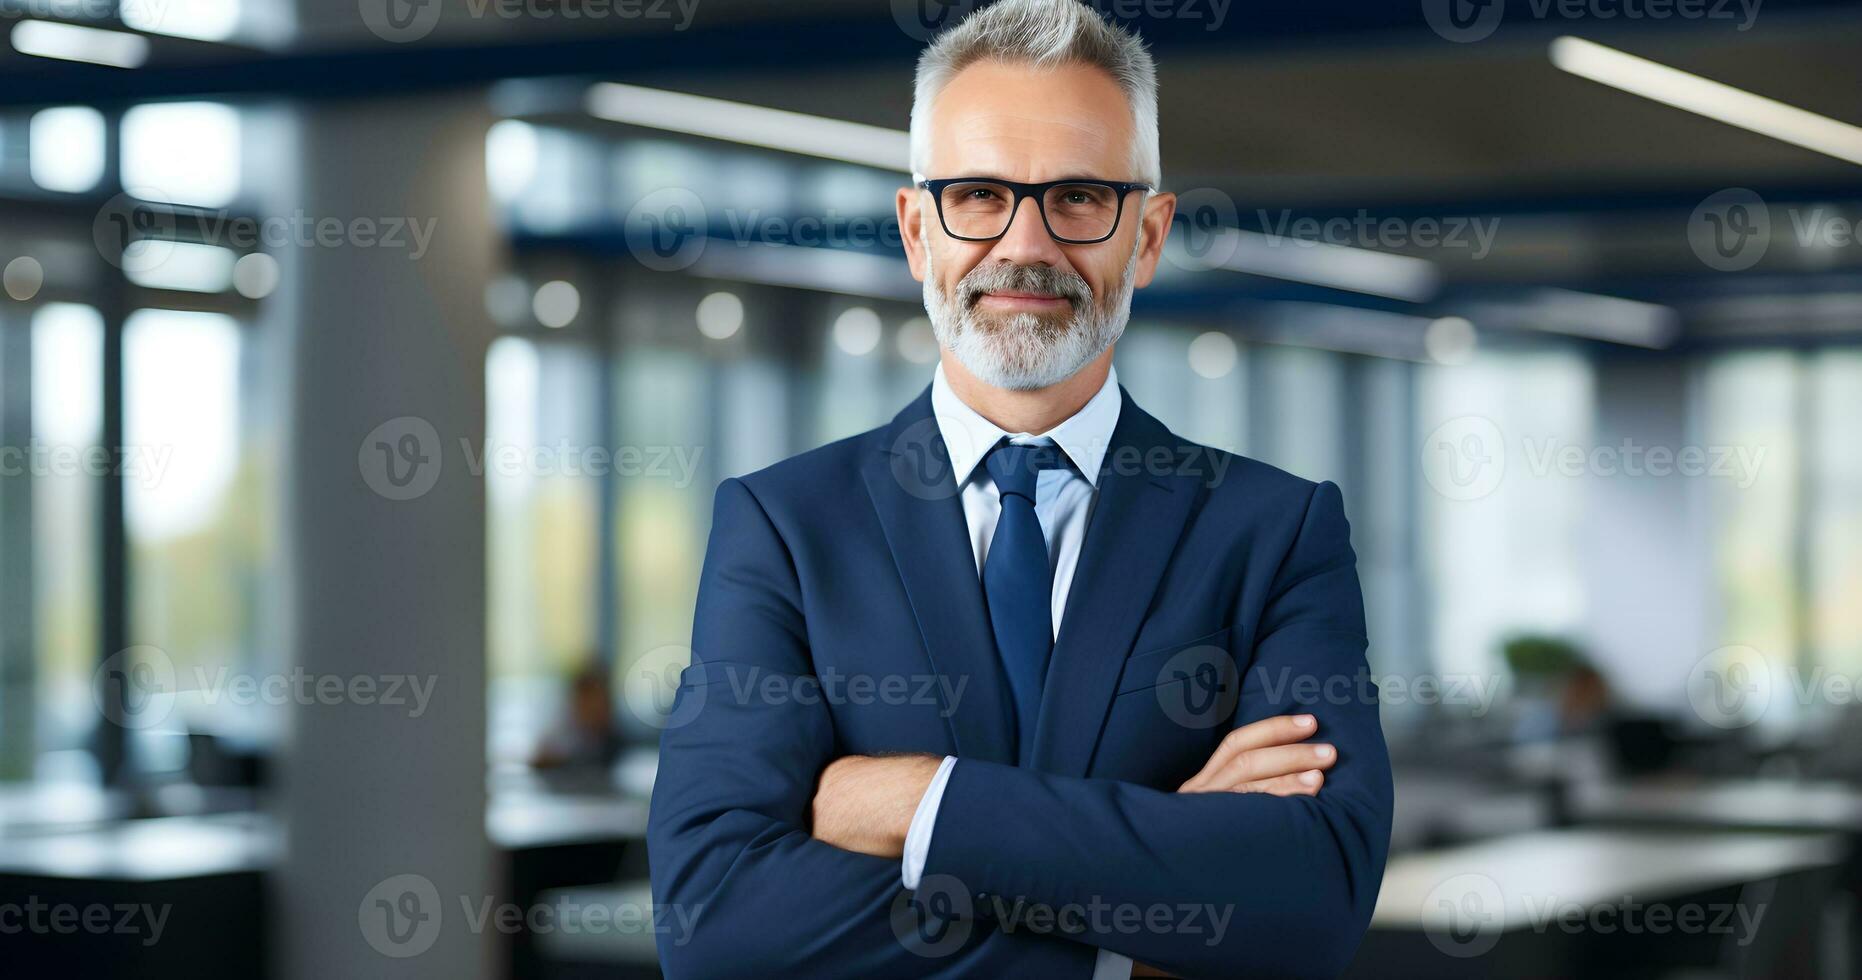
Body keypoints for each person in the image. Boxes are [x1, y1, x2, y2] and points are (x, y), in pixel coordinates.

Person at [647, 1, 1392, 975]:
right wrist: (1136, 926)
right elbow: (715, 920)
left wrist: (918, 800)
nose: (1026, 245)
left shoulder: (1274, 532)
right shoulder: (785, 527)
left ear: (1149, 235)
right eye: (977, 196)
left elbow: (1311, 898)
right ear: (917, 231)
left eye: (1078, 197)